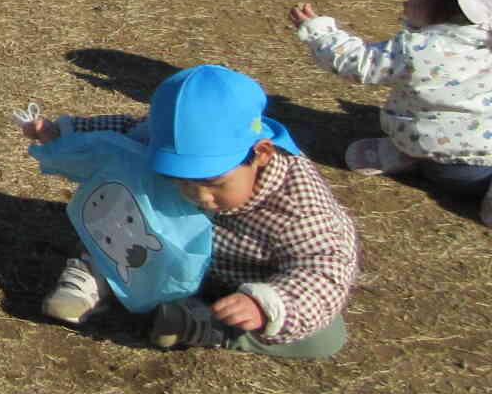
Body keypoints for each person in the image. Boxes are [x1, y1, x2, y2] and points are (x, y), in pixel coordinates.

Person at [20, 64, 359, 359]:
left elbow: (325, 267)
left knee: (327, 337)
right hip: (157, 248)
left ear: (262, 154)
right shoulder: (167, 138)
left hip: (240, 282)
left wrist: (266, 304)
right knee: (128, 181)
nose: (199, 195)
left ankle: (205, 325)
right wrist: (64, 133)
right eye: (180, 179)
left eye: (214, 182)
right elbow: (125, 131)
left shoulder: (301, 209)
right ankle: (98, 270)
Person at [288, 0, 492, 225]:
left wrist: (319, 32)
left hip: (437, 160)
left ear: (452, 8)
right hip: (470, 168)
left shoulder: (416, 48)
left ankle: (406, 155)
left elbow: (356, 62)